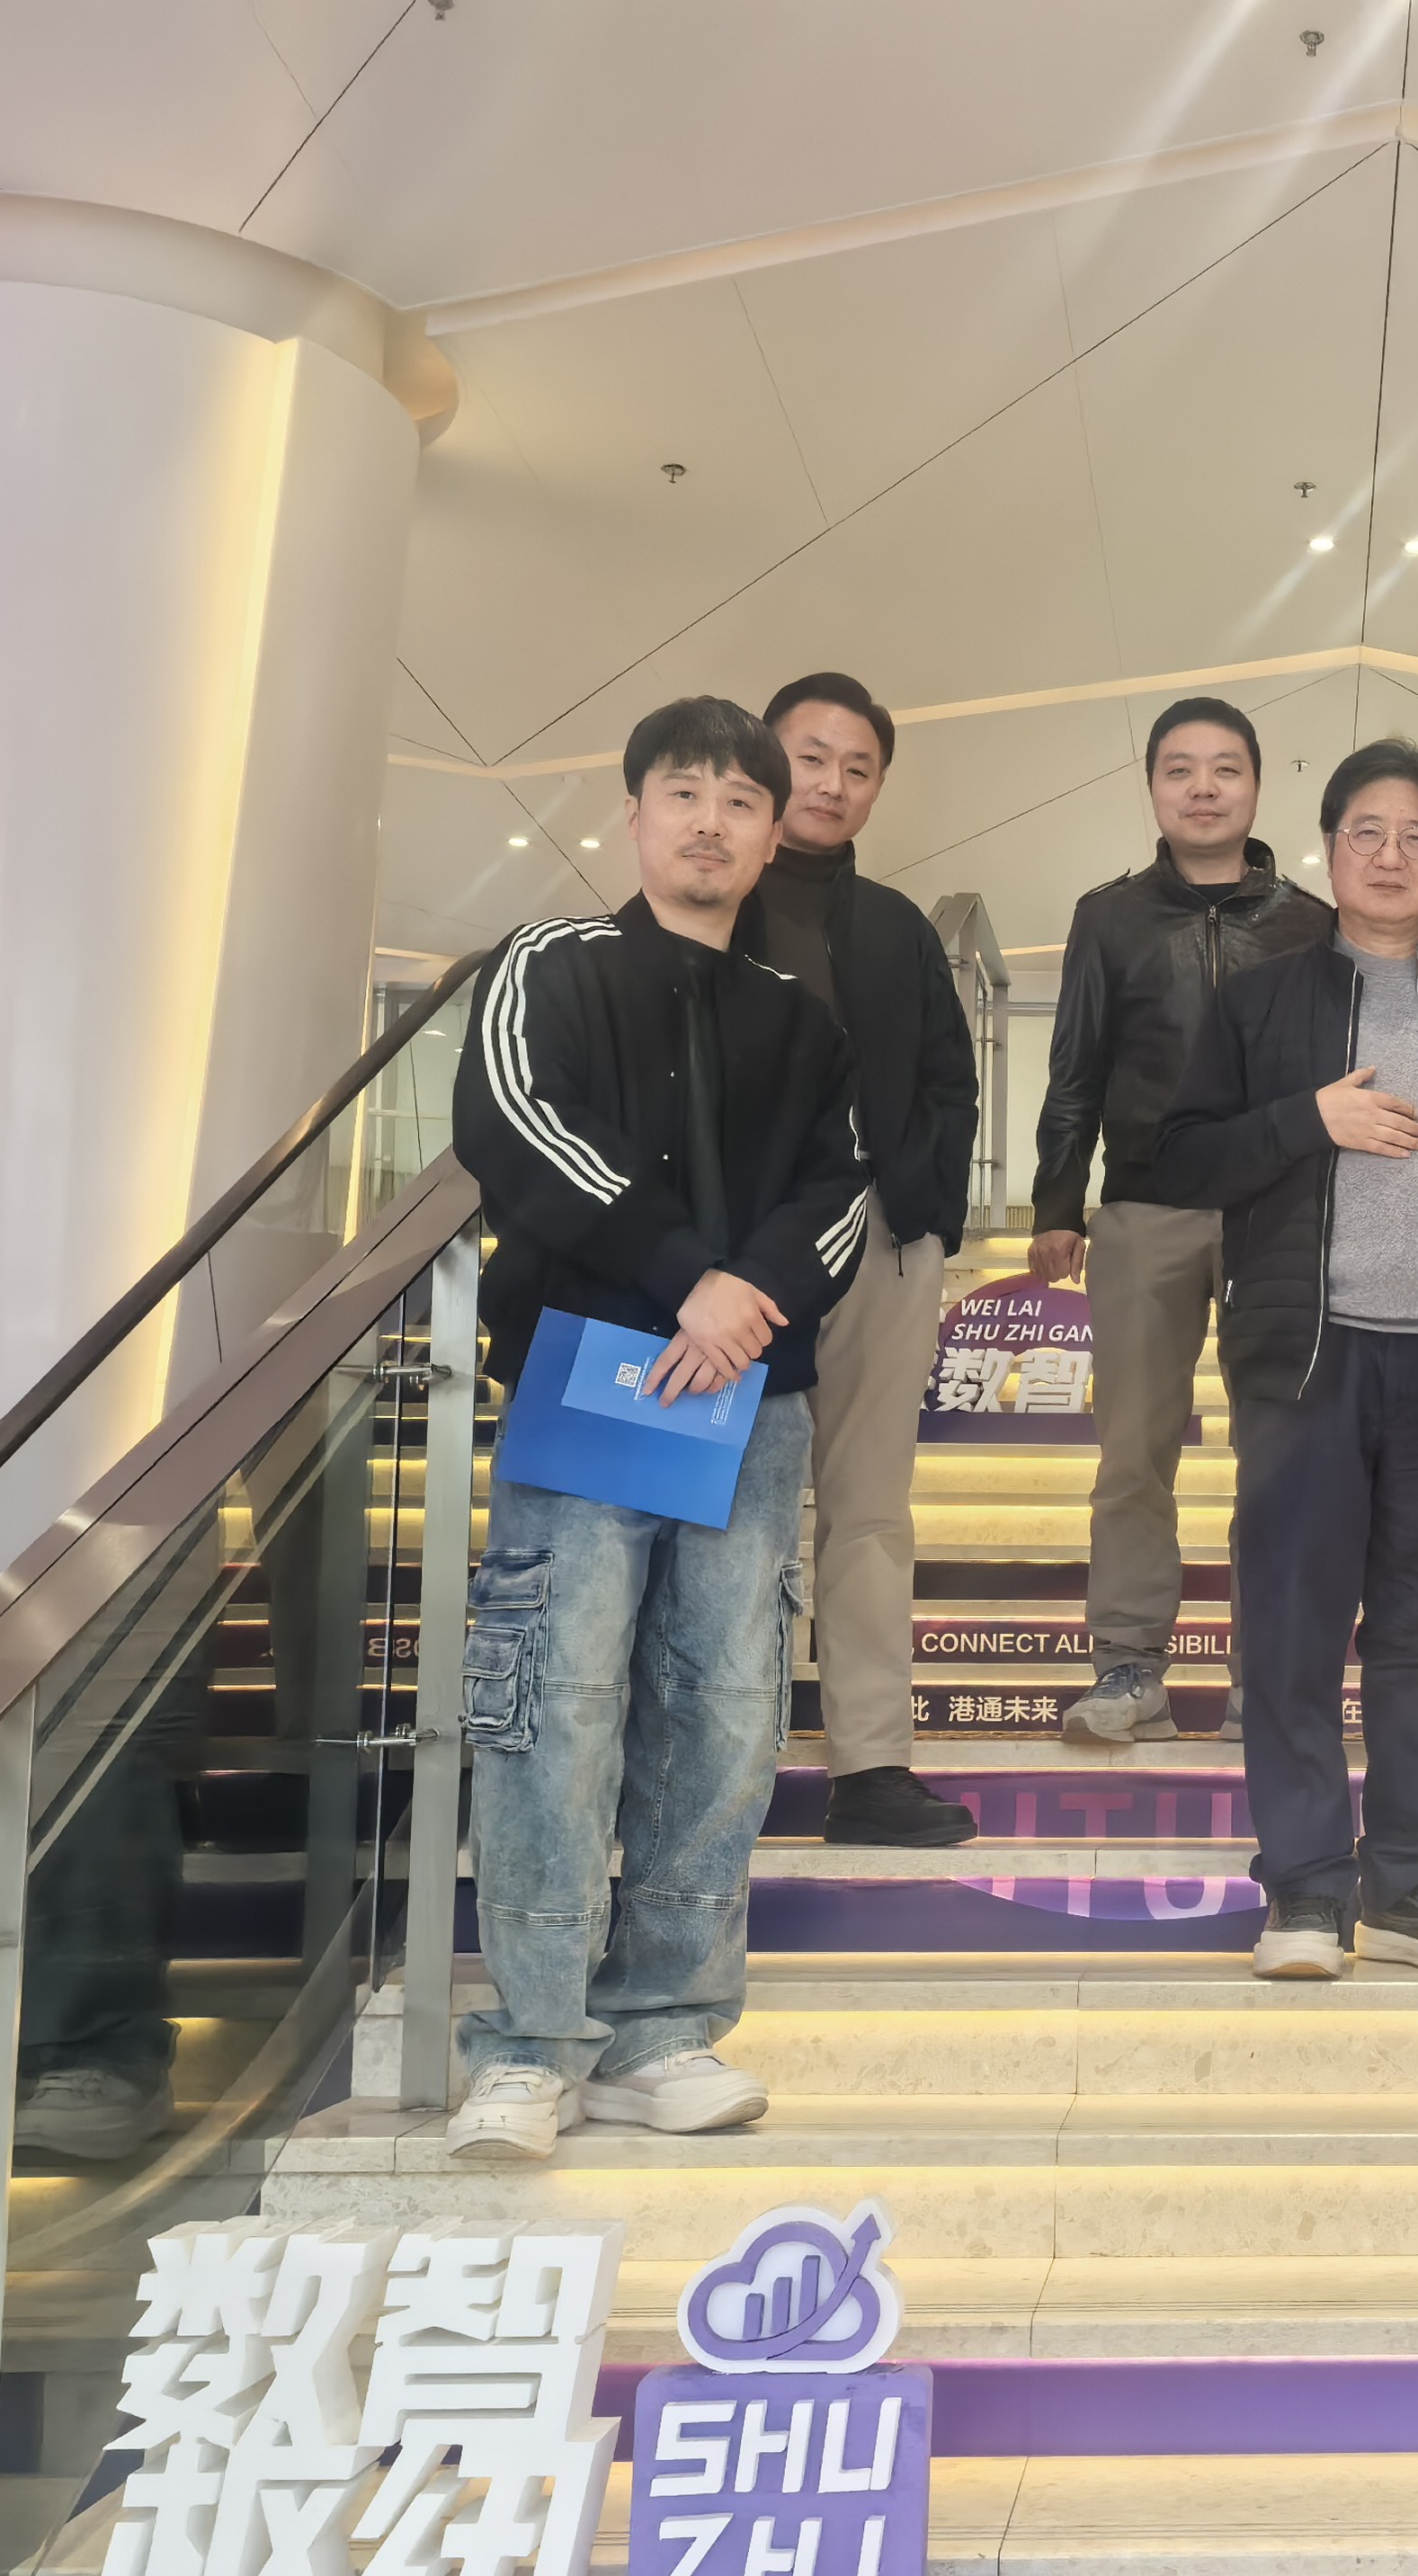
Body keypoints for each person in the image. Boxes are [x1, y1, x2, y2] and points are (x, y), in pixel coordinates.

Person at [444, 695, 876, 2162]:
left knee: (726, 1712)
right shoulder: (551, 965)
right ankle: (530, 2043)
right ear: (632, 815)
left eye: (741, 801)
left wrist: (744, 1299)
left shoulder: (803, 1019)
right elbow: (516, 1124)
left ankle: (663, 2029)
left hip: (748, 1402)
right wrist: (687, 1275)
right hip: (587, 1378)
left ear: (772, 834)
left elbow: (840, 1190)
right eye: (683, 793)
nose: (711, 821)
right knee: (554, 1700)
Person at [1147, 740, 1418, 1980]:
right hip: (1307, 1363)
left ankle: (1414, 1888)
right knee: (1291, 1629)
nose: (1390, 855)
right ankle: (1306, 1893)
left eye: (1417, 835)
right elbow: (1177, 1157)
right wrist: (1304, 1121)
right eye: (1366, 832)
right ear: (1327, 850)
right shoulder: (1259, 1002)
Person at [1030, 698, 1333, 1742]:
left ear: (1256, 785)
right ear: (1154, 786)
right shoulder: (1108, 918)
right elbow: (1075, 1068)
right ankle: (1129, 1671)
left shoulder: (1311, 922)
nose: (1203, 788)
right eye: (1180, 769)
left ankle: (1269, 1680)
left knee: (1282, 1456)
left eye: (1224, 768)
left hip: (1278, 1217)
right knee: (1132, 1454)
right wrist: (1058, 1204)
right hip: (1143, 1214)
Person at [737, 670, 983, 1848]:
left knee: (871, 1510)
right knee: (725, 1509)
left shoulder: (896, 926)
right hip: (734, 1256)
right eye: (811, 757)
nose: (832, 783)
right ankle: (716, 1762)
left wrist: (926, 1201)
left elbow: (949, 1075)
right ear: (762, 758)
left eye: (858, 767)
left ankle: (871, 1767)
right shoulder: (709, 901)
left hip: (881, 1241)